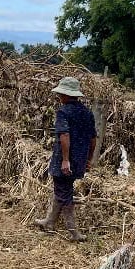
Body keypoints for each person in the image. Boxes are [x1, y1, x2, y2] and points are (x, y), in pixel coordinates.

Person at [35, 77, 96, 241]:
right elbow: (93, 139)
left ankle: (73, 232)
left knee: (64, 193)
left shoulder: (63, 112)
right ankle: (49, 222)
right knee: (62, 189)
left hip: (65, 160)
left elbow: (64, 135)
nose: (59, 96)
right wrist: (89, 159)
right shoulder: (87, 113)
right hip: (80, 160)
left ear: (66, 95)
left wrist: (65, 160)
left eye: (61, 94)